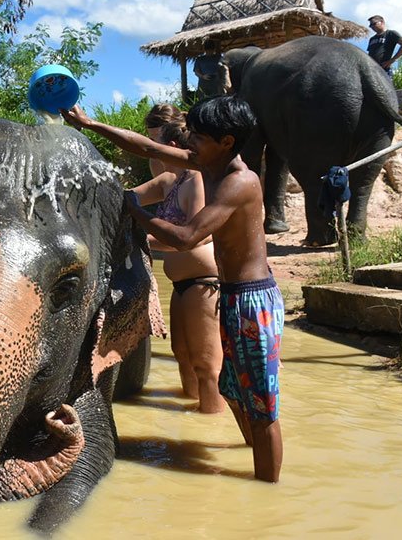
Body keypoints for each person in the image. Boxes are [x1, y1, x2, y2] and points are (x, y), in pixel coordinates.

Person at [62, 96, 283, 482]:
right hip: (233, 296)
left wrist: (135, 212)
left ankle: (266, 491)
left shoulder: (239, 182)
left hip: (253, 300)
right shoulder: (205, 165)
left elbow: (187, 237)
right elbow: (146, 146)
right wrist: (90, 123)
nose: (187, 143)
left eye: (198, 136)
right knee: (234, 391)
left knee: (261, 407)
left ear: (227, 141)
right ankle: (252, 459)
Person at [132, 113, 225, 414]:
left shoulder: (195, 180)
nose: (154, 153)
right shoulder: (170, 181)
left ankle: (213, 433)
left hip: (204, 282)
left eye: (156, 146)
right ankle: (194, 417)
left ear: (170, 146)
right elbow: (127, 199)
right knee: (182, 354)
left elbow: (195, 236)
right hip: (182, 283)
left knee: (206, 364)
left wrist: (143, 241)